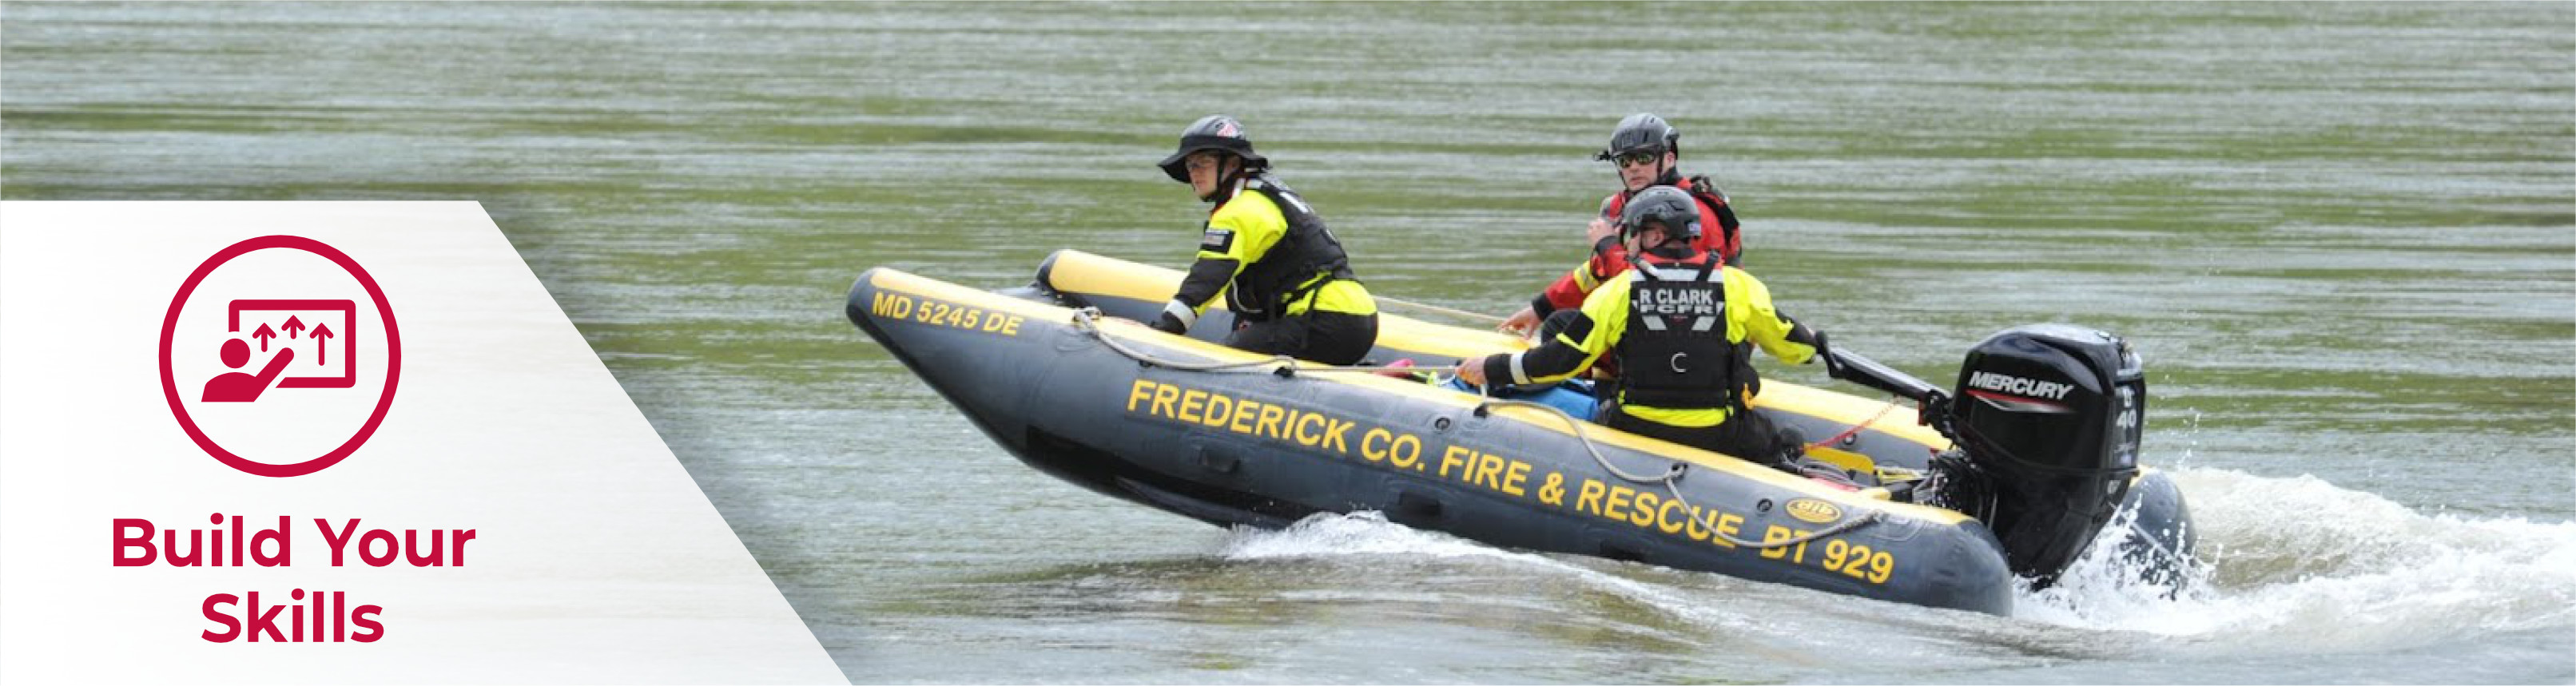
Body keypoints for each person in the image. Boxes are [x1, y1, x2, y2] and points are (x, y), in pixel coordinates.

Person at [1458, 186, 1823, 472]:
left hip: (1632, 425)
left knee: (1593, 403)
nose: (1626, 244)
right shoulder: (1740, 287)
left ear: (1654, 235)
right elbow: (1793, 347)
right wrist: (1814, 343)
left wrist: (1492, 367)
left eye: (1631, 235)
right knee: (1785, 439)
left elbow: (1561, 359)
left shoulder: (1619, 290)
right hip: (1717, 432)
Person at [1148, 115, 1379, 366]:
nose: (1195, 174)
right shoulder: (1266, 194)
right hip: (1357, 318)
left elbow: (1206, 280)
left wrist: (1162, 332)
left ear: (1232, 163)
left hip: (1324, 320)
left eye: (1204, 163)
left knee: (1229, 356)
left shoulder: (1236, 213)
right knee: (1247, 328)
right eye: (1190, 166)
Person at [1500, 113, 1743, 337]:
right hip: (1651, 325)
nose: (1634, 167)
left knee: (1565, 327)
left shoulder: (1692, 214)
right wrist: (1541, 308)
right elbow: (1596, 271)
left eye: (1644, 157)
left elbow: (1660, 290)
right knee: (1562, 321)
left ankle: (1577, 382)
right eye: (1625, 161)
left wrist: (1607, 245)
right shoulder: (1625, 205)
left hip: (1692, 335)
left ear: (1669, 158)